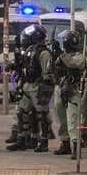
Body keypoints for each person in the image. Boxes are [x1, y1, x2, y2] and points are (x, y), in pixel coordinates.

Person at [7, 24, 53, 153]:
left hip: (37, 86)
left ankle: (43, 141)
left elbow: (47, 72)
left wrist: (44, 88)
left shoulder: (43, 52)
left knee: (41, 115)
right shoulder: (28, 50)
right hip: (27, 84)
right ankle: (22, 140)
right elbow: (21, 63)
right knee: (22, 113)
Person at [52, 30, 86, 159]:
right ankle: (65, 143)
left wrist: (60, 54)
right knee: (61, 118)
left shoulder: (79, 56)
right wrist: (55, 54)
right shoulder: (62, 56)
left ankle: (76, 146)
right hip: (60, 88)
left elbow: (73, 64)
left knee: (72, 119)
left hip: (72, 90)